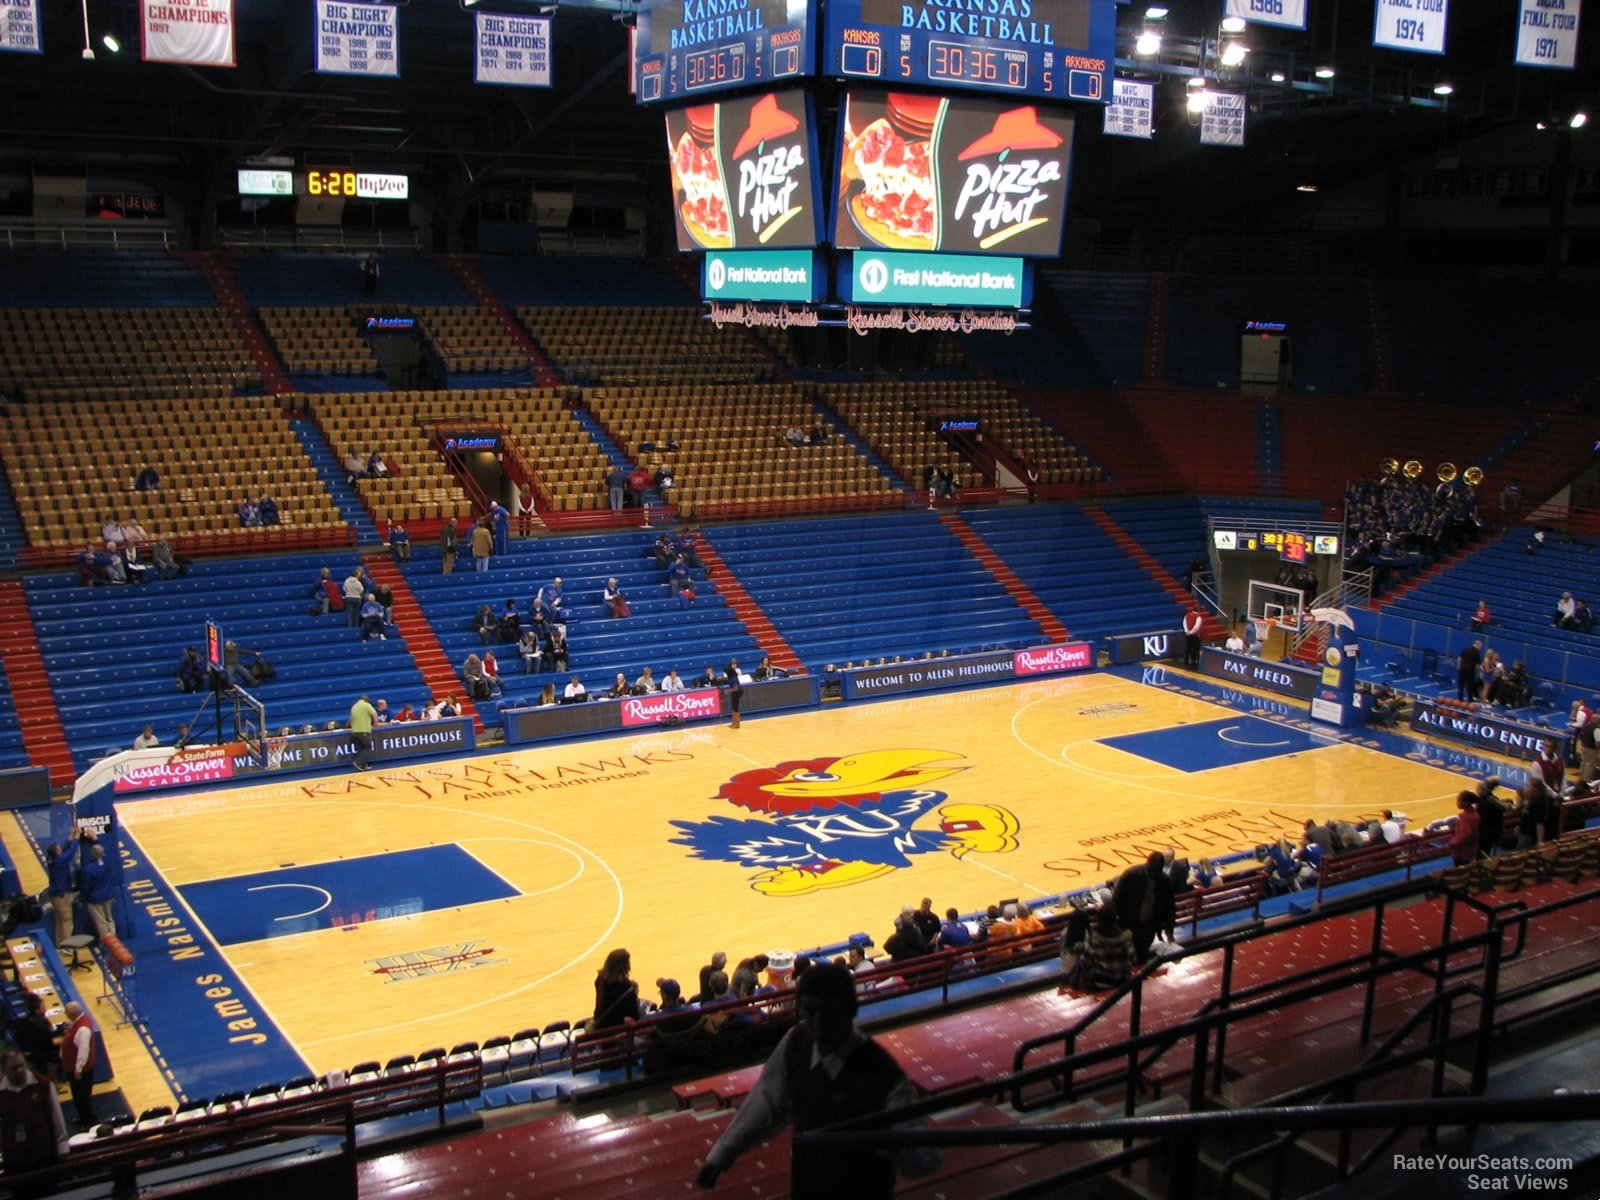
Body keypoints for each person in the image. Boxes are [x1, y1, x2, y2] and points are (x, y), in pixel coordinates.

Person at [696, 962, 938, 1195]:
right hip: (808, 1185)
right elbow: (766, 1100)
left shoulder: (883, 1074)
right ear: (800, 1009)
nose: (819, 1022)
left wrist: (893, 1144)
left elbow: (923, 1162)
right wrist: (722, 1154)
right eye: (810, 1011)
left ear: (850, 1010)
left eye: (829, 1011)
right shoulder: (795, 1041)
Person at [0, 1046, 69, 1174]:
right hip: (14, 1160)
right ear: (4, 1070)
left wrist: (62, 1148)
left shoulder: (44, 1084)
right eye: (14, 1068)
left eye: (22, 1065)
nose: (20, 1070)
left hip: (44, 1155)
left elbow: (57, 1118)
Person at [1112, 852, 1176, 964]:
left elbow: (1170, 907)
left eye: (1158, 871)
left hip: (1150, 926)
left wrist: (1169, 930)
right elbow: (1117, 899)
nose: (1155, 873)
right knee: (1126, 957)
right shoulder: (1131, 875)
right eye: (1153, 870)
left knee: (1142, 956)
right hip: (1129, 924)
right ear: (1147, 864)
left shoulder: (1164, 881)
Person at [592, 948, 640, 1031]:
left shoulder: (600, 979)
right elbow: (634, 1016)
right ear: (624, 965)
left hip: (600, 1024)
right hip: (618, 1030)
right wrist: (634, 993)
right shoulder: (627, 988)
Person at [46, 840, 78, 949]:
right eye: (58, 848)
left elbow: (63, 850)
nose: (60, 848)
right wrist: (76, 838)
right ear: (57, 852)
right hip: (62, 895)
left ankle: (60, 945)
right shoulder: (60, 861)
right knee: (67, 921)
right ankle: (67, 947)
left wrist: (70, 838)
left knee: (59, 921)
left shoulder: (52, 860)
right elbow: (70, 852)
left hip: (54, 895)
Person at [80, 843, 116, 938]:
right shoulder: (107, 861)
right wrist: (95, 840)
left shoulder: (88, 869)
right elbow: (102, 854)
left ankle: (108, 945)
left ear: (92, 853)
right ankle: (114, 941)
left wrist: (84, 899)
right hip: (108, 896)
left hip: (95, 899)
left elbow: (86, 887)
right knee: (109, 919)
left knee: (101, 924)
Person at [1447, 791, 1480, 865]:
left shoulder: (1465, 817)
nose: (1457, 802)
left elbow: (1466, 835)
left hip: (1462, 851)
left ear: (1466, 802)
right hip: (1471, 849)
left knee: (1461, 871)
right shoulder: (1474, 813)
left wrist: (1452, 842)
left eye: (1459, 800)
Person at [350, 694, 377, 771]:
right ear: (366, 700)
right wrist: (376, 723)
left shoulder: (354, 707)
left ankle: (363, 766)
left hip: (354, 732)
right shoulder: (366, 705)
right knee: (368, 748)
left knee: (361, 749)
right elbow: (374, 714)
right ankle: (358, 762)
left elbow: (351, 720)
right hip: (363, 731)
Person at [726, 658, 744, 729]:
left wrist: (728, 691)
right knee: (734, 707)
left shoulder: (733, 677)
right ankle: (734, 722)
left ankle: (737, 724)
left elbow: (735, 688)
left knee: (735, 708)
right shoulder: (731, 676)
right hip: (736, 691)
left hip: (737, 691)